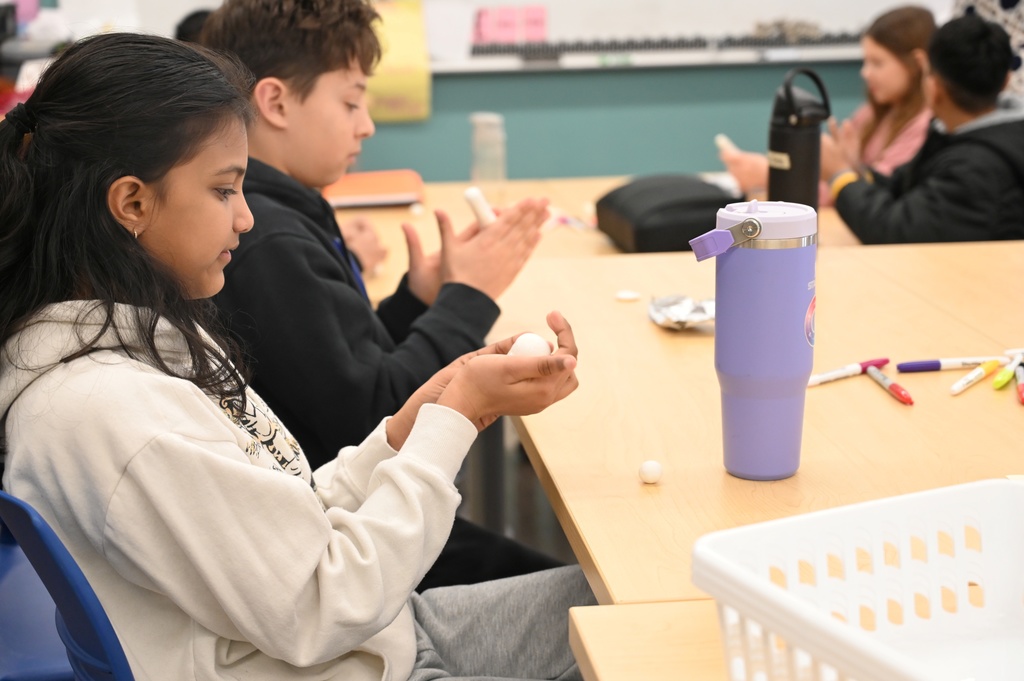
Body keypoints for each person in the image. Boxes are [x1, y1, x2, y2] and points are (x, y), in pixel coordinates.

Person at [0, 31, 594, 681]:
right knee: (650, 633)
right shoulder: (111, 412)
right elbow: (325, 606)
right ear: (133, 203)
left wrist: (416, 421)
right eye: (224, 190)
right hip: (353, 652)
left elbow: (296, 512)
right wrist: (460, 415)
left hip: (380, 638)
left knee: (638, 602)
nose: (247, 218)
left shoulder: (144, 338)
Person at [200, 0, 563, 590]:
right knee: (585, 598)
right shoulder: (270, 239)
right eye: (350, 101)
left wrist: (419, 300)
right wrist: (468, 295)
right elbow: (373, 417)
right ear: (275, 101)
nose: (366, 124)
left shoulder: (286, 213)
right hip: (345, 533)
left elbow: (339, 362)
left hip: (348, 502)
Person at [821, 14, 1024, 243]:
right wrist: (857, 172)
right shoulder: (952, 134)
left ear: (933, 86)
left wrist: (839, 176)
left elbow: (895, 229)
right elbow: (901, 185)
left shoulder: (975, 167)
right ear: (1006, 80)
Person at [719, 5, 936, 203]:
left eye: (877, 63)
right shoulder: (871, 114)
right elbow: (837, 176)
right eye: (865, 61)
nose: (865, 73)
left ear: (917, 64)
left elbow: (867, 190)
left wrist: (771, 177)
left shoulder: (923, 126)